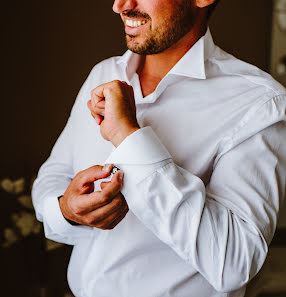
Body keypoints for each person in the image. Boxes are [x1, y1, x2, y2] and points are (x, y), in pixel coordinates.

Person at [32, 0, 286, 296]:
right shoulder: (103, 73)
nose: (120, 6)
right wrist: (65, 210)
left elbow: (233, 262)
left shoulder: (258, 104)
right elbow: (54, 174)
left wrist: (128, 137)